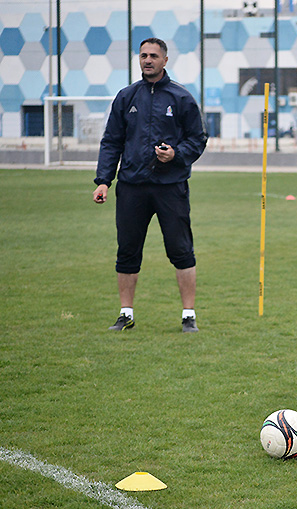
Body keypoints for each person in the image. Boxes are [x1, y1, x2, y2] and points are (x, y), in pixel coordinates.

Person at [92, 38, 207, 333]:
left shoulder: (181, 97)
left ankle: (189, 316)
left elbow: (198, 138)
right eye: (143, 55)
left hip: (171, 187)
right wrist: (103, 180)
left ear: (165, 60)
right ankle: (125, 314)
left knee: (181, 250)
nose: (148, 60)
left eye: (154, 56)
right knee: (127, 251)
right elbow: (111, 141)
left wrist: (175, 154)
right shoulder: (126, 97)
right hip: (132, 186)